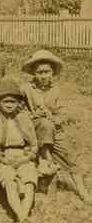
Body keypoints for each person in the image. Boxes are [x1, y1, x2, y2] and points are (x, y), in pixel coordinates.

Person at [21, 50, 92, 203]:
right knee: (44, 125)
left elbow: (64, 114)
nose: (43, 76)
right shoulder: (26, 89)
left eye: (47, 72)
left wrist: (53, 117)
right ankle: (46, 161)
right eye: (39, 72)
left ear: (52, 73)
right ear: (34, 73)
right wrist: (34, 115)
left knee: (70, 157)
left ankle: (82, 191)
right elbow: (18, 109)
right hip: (33, 129)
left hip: (54, 129)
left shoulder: (57, 90)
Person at [0, 78, 38, 223]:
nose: (9, 105)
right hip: (4, 157)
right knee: (9, 181)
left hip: (23, 155)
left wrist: (27, 158)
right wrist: (2, 159)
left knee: (29, 182)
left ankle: (24, 215)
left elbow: (34, 144)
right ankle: (21, 216)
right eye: (5, 101)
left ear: (18, 103)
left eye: (13, 102)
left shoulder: (24, 118)